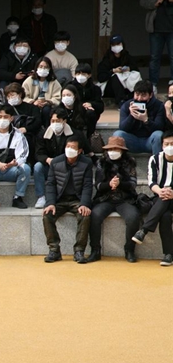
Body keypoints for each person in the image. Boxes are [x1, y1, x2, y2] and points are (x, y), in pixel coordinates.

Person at [87, 136, 139, 263]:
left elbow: (133, 184)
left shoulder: (130, 162)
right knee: (94, 215)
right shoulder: (101, 162)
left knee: (133, 217)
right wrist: (109, 184)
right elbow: (98, 185)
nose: (113, 151)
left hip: (125, 199)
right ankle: (95, 250)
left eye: (116, 148)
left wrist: (120, 183)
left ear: (122, 150)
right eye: (111, 148)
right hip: (105, 198)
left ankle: (129, 250)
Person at [42, 134, 93, 263]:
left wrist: (84, 203)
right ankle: (54, 250)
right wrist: (50, 203)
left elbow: (88, 186)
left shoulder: (86, 163)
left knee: (85, 216)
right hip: (60, 199)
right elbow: (50, 184)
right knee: (47, 215)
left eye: (73, 147)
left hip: (77, 199)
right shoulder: (56, 162)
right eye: (68, 146)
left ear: (80, 150)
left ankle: (79, 251)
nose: (69, 149)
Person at [131, 130, 173, 266]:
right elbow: (151, 182)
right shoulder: (155, 159)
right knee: (165, 216)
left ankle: (144, 230)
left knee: (165, 200)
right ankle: (169, 254)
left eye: (172, 143)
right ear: (162, 145)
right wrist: (161, 191)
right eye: (167, 144)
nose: (170, 146)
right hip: (160, 197)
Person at [34, 107, 74, 209]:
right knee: (38, 167)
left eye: (58, 121)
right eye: (53, 121)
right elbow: (38, 153)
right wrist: (47, 159)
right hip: (49, 165)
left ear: (64, 121)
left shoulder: (73, 134)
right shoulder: (43, 134)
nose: (55, 123)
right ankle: (41, 196)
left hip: (66, 165)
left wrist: (59, 161)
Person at [113, 80, 165, 155]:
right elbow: (122, 128)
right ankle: (120, 165)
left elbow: (160, 127)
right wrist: (131, 115)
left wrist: (146, 120)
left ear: (150, 95)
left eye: (143, 95)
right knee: (118, 134)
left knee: (158, 135)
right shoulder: (127, 105)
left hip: (150, 140)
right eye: (137, 94)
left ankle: (157, 164)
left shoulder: (159, 105)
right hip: (132, 141)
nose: (139, 98)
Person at [141, 0, 173, 94]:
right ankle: (153, 83)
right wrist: (156, 2)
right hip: (156, 29)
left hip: (171, 29)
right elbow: (143, 2)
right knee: (154, 57)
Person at [97, 35, 139, 107]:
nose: (116, 46)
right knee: (115, 77)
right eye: (114, 45)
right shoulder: (106, 60)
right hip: (111, 88)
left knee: (135, 74)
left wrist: (127, 69)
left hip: (126, 86)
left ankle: (134, 98)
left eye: (118, 44)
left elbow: (135, 68)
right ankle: (121, 101)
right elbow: (101, 77)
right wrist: (113, 71)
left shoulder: (127, 57)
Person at [23, 57, 61, 128]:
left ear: (50, 69)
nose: (43, 69)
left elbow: (58, 97)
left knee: (47, 110)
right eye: (41, 67)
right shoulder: (29, 80)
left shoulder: (54, 82)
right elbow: (23, 96)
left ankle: (46, 129)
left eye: (46, 67)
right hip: (33, 105)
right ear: (36, 67)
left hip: (47, 106)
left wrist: (48, 102)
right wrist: (33, 101)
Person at [70, 63, 104, 138]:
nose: (80, 76)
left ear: (89, 75)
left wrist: (91, 104)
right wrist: (82, 106)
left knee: (90, 113)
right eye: (78, 73)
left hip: (90, 115)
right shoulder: (70, 87)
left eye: (83, 73)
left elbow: (100, 106)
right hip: (76, 112)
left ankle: (90, 137)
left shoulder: (96, 89)